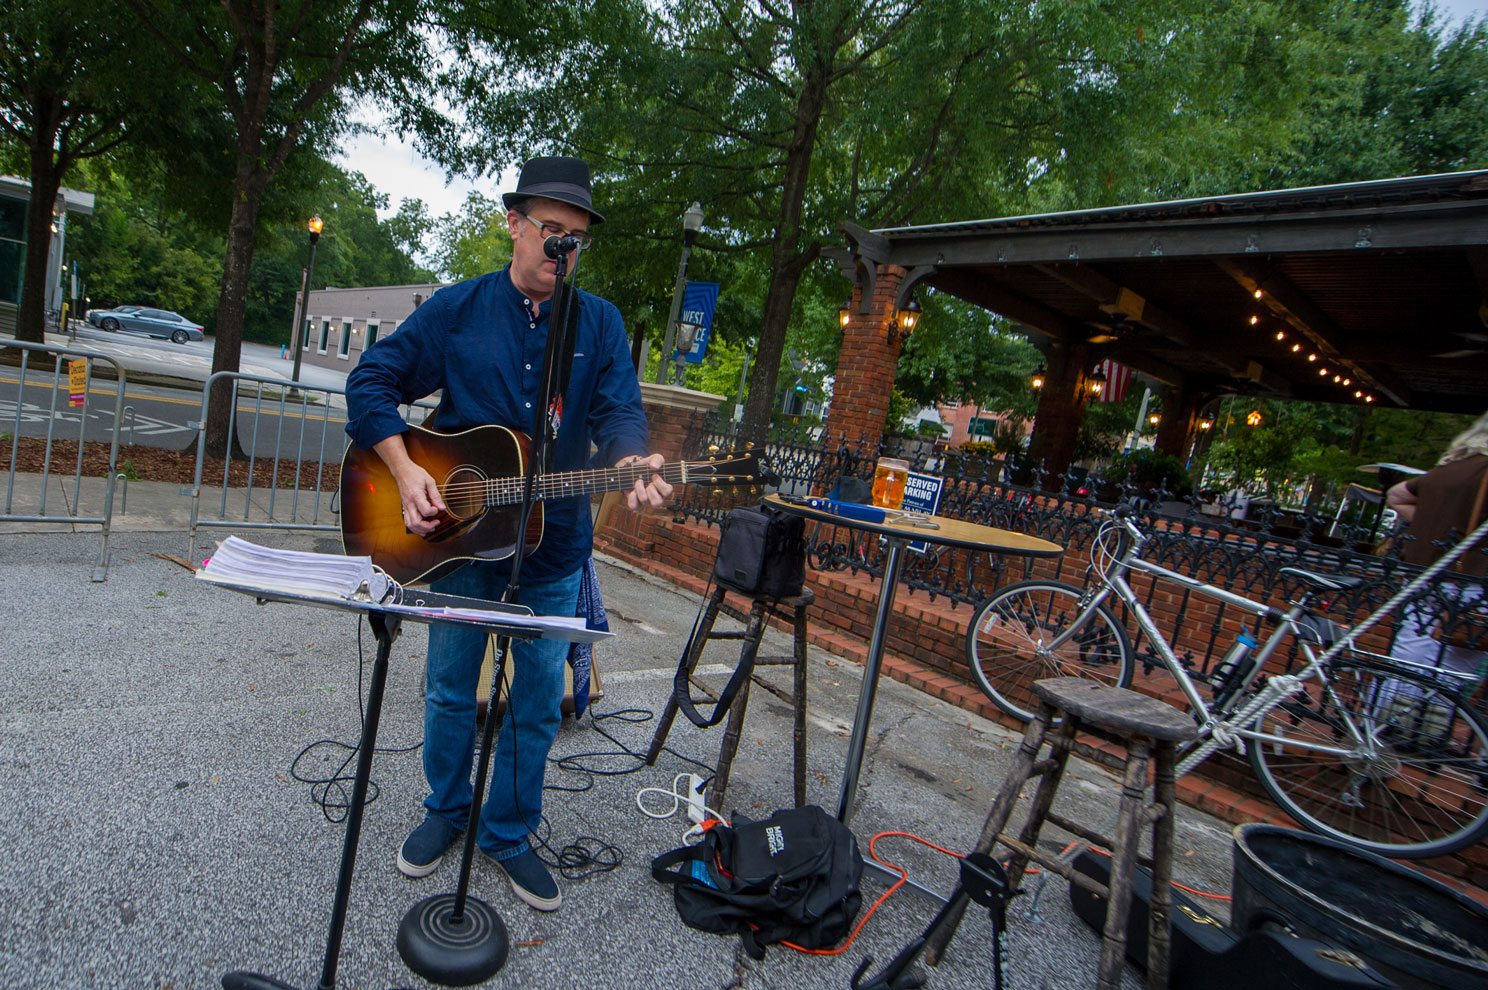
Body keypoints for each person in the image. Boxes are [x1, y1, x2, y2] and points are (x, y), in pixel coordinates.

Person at [344, 156, 672, 912]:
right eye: (552, 231)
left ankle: (510, 832)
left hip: (554, 550)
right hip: (455, 539)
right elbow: (371, 381)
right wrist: (402, 468)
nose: (563, 250)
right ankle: (445, 810)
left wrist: (633, 459)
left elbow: (620, 416)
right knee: (452, 688)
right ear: (515, 223)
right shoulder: (458, 310)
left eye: (577, 239)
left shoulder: (599, 323)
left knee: (535, 701)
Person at [1382, 409, 1488, 725]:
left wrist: (1432, 524)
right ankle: (1425, 732)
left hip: (1422, 574)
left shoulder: (1450, 469)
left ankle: (1384, 724)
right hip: (1471, 579)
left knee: (1408, 651)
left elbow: (1397, 495)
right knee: (1456, 661)